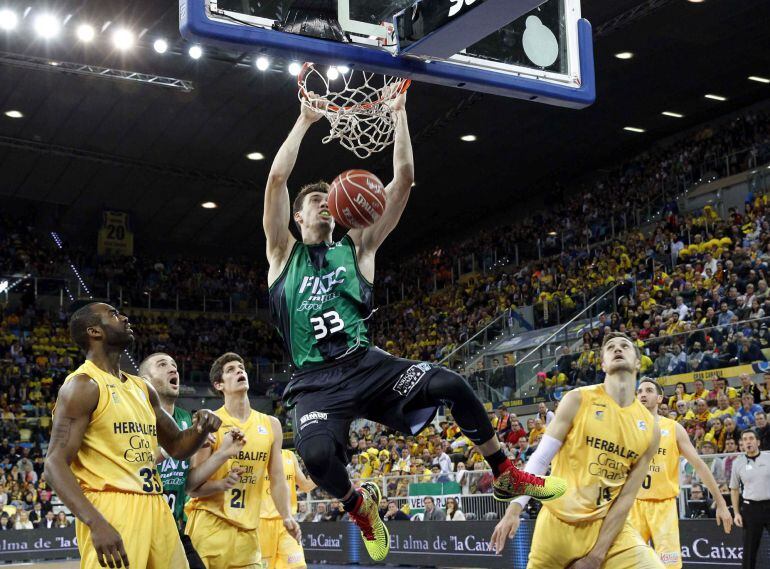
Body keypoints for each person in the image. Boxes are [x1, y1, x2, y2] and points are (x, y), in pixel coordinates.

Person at [263, 81, 564, 562]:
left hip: (366, 364)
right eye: (314, 201)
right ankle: (361, 508)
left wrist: (399, 112)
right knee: (317, 458)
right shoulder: (282, 255)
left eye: (327, 198)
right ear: (297, 217)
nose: (323, 202)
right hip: (314, 383)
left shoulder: (357, 246)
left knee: (452, 383)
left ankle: (505, 472)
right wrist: (304, 121)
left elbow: (402, 178)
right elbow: (276, 180)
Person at [45, 303, 221, 569]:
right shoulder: (83, 385)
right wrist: (96, 522)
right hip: (113, 507)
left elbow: (176, 446)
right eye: (113, 314)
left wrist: (200, 429)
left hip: (156, 505)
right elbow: (54, 464)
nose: (124, 317)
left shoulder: (143, 388)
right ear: (94, 331)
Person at [491, 332, 663, 568]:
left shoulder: (651, 428)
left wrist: (596, 556)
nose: (617, 348)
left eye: (625, 346)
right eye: (610, 347)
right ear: (603, 364)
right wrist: (515, 507)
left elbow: (626, 498)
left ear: (637, 362)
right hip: (557, 525)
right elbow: (540, 459)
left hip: (608, 528)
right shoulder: (577, 400)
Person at [185, 353, 301, 569]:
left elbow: (277, 479)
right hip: (210, 526)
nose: (240, 371)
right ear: (219, 385)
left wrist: (286, 516)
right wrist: (222, 483)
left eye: (241, 368)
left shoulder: (271, 424)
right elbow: (194, 488)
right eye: (231, 370)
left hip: (248, 532)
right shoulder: (211, 421)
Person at [631, 379, 732, 568]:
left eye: (649, 390)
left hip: (663, 505)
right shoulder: (627, 427)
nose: (643, 394)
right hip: (633, 504)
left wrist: (720, 503)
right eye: (640, 391)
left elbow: (700, 465)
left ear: (660, 398)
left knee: (669, 565)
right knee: (628, 563)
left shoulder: (673, 428)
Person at [140, 352, 206, 569]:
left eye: (175, 365)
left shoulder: (186, 418)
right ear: (145, 381)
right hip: (144, 533)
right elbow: (137, 465)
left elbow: (189, 483)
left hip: (176, 531)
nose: (173, 369)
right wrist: (179, 444)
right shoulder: (136, 417)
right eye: (162, 365)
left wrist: (225, 452)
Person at [259, 450, 316, 569]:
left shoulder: (290, 455)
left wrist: (325, 475)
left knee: (299, 566)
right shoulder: (257, 453)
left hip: (287, 522)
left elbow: (305, 486)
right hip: (261, 523)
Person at [729, 429, 770, 569]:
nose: (748, 441)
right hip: (750, 509)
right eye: (745, 439)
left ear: (757, 442)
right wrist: (736, 513)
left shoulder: (768, 458)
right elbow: (734, 489)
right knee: (749, 550)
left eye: (751, 438)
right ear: (742, 444)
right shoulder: (737, 463)